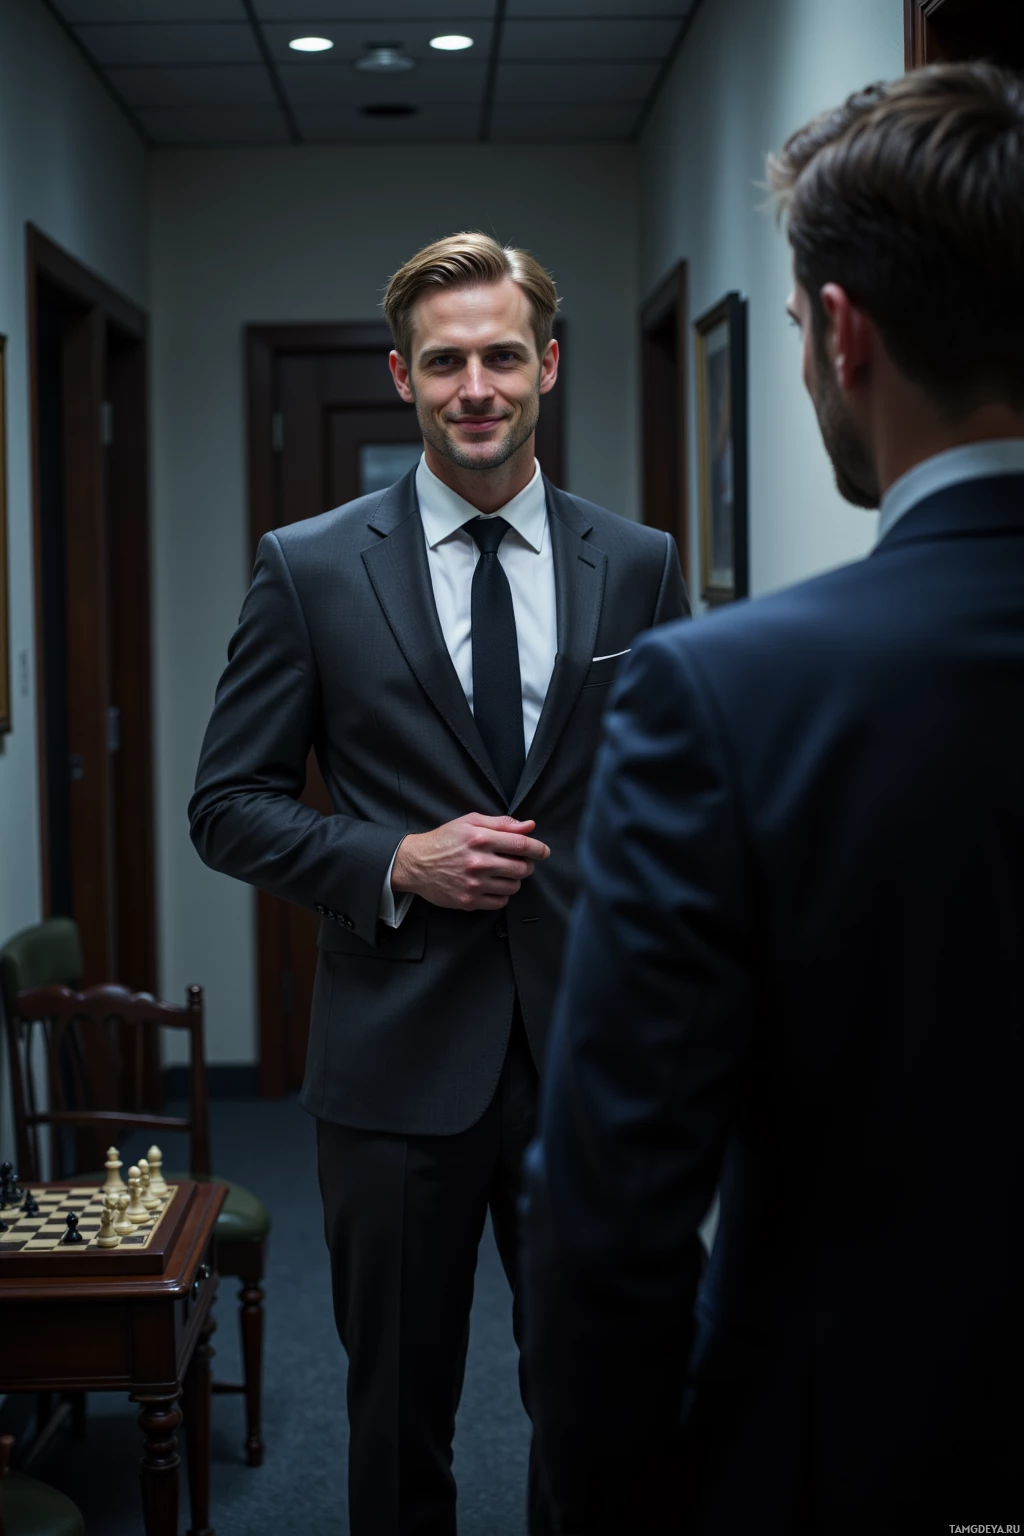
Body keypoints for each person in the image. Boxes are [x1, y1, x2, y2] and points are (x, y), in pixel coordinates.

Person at [521, 63, 1024, 1535]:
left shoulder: (728, 695)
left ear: (842, 334)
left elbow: (615, 1222)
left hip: (855, 1460)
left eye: (797, 329)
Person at [189, 231, 689, 1535]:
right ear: (402, 375)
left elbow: (680, 798)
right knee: (399, 1417)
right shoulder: (308, 566)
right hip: (395, 1065)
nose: (477, 388)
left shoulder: (637, 562)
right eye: (447, 361)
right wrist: (392, 859)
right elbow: (225, 808)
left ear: (549, 367)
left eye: (503, 357)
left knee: (595, 1407)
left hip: (589, 1058)